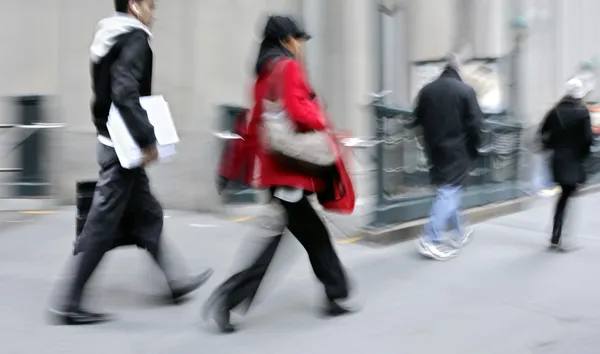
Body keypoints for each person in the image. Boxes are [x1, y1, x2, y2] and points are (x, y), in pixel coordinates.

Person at [49, 0, 212, 325]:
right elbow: (125, 92)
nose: (154, 12)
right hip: (123, 148)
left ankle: (176, 283)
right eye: (150, 5)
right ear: (135, 6)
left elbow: (108, 92)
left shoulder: (109, 35)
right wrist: (147, 139)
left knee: (148, 214)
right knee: (101, 223)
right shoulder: (134, 37)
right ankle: (68, 302)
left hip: (112, 140)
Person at [203, 15, 356, 334]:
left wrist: (236, 167)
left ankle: (334, 293)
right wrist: (322, 119)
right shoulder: (286, 67)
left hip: (276, 170)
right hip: (291, 171)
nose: (301, 46)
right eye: (299, 39)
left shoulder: (263, 73)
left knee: (310, 235)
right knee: (283, 239)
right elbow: (299, 111)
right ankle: (228, 299)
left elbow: (255, 121)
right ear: (287, 40)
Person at [413, 52, 483, 261]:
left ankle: (459, 231)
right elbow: (476, 124)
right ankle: (430, 238)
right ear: (459, 69)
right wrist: (475, 148)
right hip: (458, 149)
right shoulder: (465, 91)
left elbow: (416, 119)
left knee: (450, 189)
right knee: (449, 190)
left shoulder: (427, 90)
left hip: (433, 148)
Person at [538, 78, 593, 251]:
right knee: (567, 197)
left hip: (557, 159)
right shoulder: (583, 112)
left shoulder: (555, 111)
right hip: (574, 160)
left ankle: (556, 236)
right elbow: (588, 139)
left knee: (563, 197)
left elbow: (542, 132)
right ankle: (563, 237)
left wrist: (551, 146)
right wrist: (583, 156)